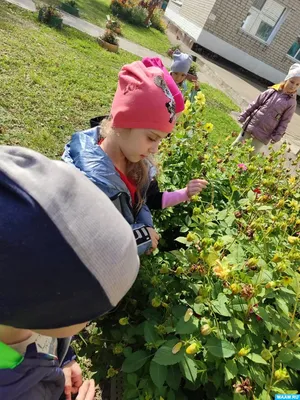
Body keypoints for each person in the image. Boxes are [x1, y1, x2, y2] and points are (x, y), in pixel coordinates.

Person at [0, 146, 139, 400]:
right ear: (48, 306)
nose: (94, 318)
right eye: (91, 310)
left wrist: (64, 360)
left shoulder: (19, 312)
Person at [63, 61, 207, 255]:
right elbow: (87, 245)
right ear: (123, 121)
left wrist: (183, 195)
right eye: (151, 138)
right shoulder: (86, 182)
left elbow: (144, 201)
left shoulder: (136, 161)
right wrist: (140, 237)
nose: (155, 149)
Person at [231, 63, 300, 154]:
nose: (293, 86)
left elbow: (285, 121)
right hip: (252, 123)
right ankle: (224, 160)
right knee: (236, 144)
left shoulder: (291, 103)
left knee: (253, 153)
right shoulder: (272, 91)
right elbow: (255, 103)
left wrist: (277, 135)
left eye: (297, 84)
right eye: (292, 81)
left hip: (265, 132)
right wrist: (244, 115)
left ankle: (245, 168)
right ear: (287, 79)